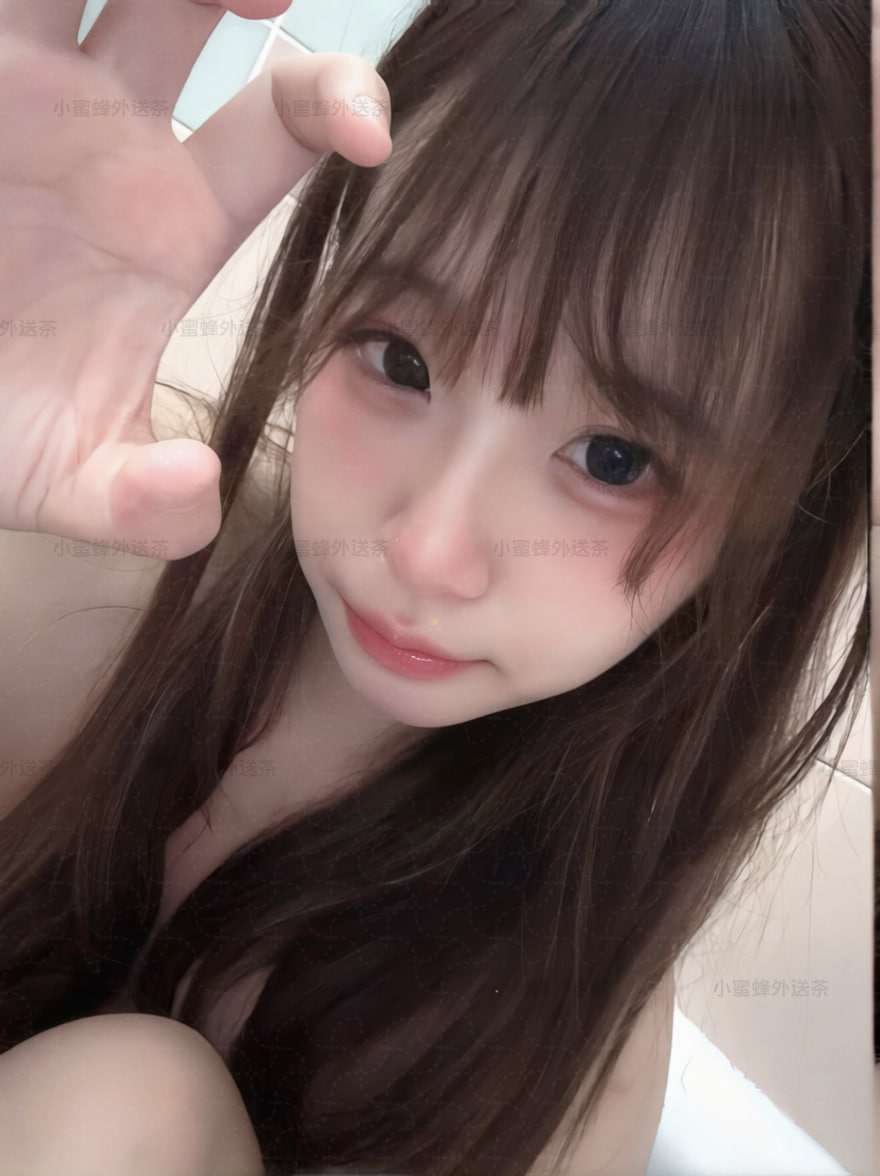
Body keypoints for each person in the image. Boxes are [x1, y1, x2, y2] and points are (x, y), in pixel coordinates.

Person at [0, 0, 870, 1173]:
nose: (425, 552)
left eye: (615, 459)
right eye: (399, 358)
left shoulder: (554, 1050)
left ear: (781, 506)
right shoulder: (90, 577)